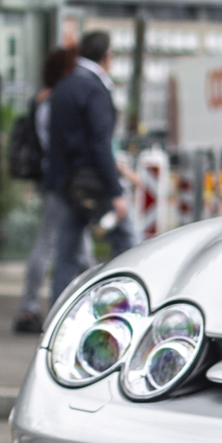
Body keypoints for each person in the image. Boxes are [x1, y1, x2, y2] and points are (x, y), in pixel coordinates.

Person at [45, 31, 134, 303]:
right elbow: (100, 144)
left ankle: (55, 315)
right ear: (107, 57)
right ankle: (120, 304)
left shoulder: (63, 86)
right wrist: (116, 192)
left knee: (66, 254)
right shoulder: (96, 88)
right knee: (128, 242)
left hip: (67, 183)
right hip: (94, 183)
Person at [11, 46, 78, 334]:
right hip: (61, 180)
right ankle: (29, 307)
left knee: (71, 244)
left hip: (51, 178)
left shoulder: (41, 100)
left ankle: (35, 307)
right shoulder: (56, 102)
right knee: (51, 243)